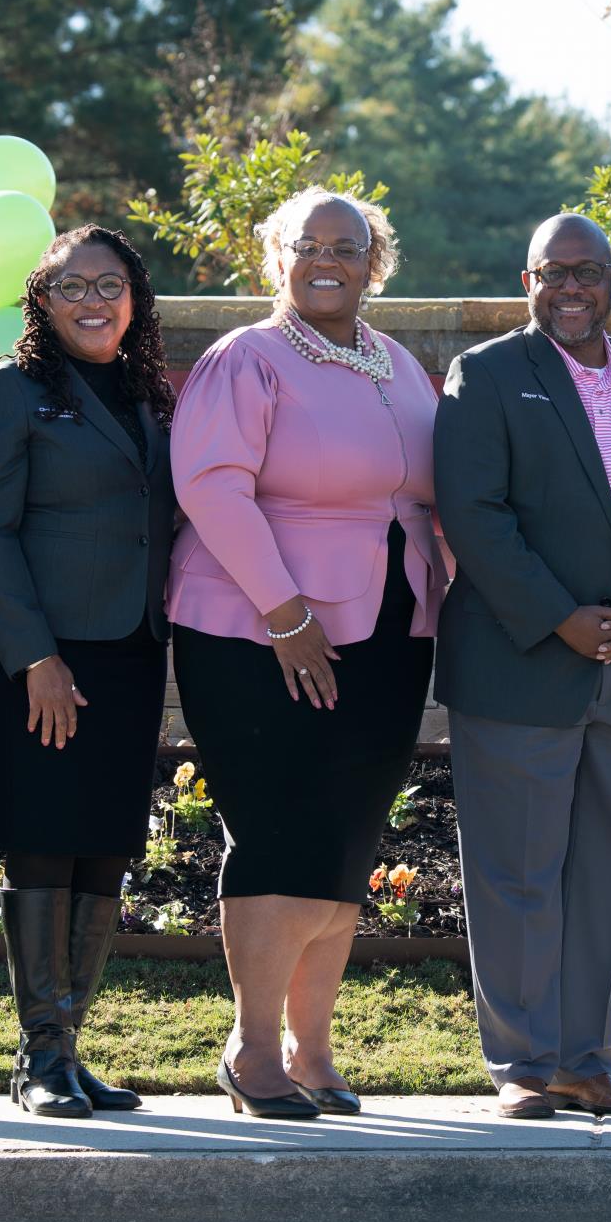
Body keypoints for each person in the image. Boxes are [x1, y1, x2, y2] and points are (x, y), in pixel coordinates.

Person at [168, 188, 443, 1120]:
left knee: (344, 837)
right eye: (307, 244)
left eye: (348, 246)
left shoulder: (397, 363)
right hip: (259, 630)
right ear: (275, 258)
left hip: (389, 631)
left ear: (376, 262)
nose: (328, 259)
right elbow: (211, 486)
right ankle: (251, 1052)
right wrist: (286, 614)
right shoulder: (245, 359)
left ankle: (312, 1049)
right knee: (281, 830)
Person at [435, 213, 611, 1121]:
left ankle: (587, 1060)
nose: (570, 287)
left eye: (587, 271)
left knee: (604, 873)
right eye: (552, 272)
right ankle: (522, 1062)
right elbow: (474, 514)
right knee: (517, 872)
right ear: (528, 282)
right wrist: (563, 618)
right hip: (524, 666)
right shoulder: (486, 375)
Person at [0, 225, 177, 1118]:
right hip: (39, 654)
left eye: (111, 284)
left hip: (129, 649)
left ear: (136, 296)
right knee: (44, 839)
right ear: (41, 301)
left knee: (105, 846)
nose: (94, 300)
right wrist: (33, 658)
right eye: (72, 285)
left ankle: (71, 1050)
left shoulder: (147, 393)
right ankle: (37, 1057)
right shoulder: (12, 393)